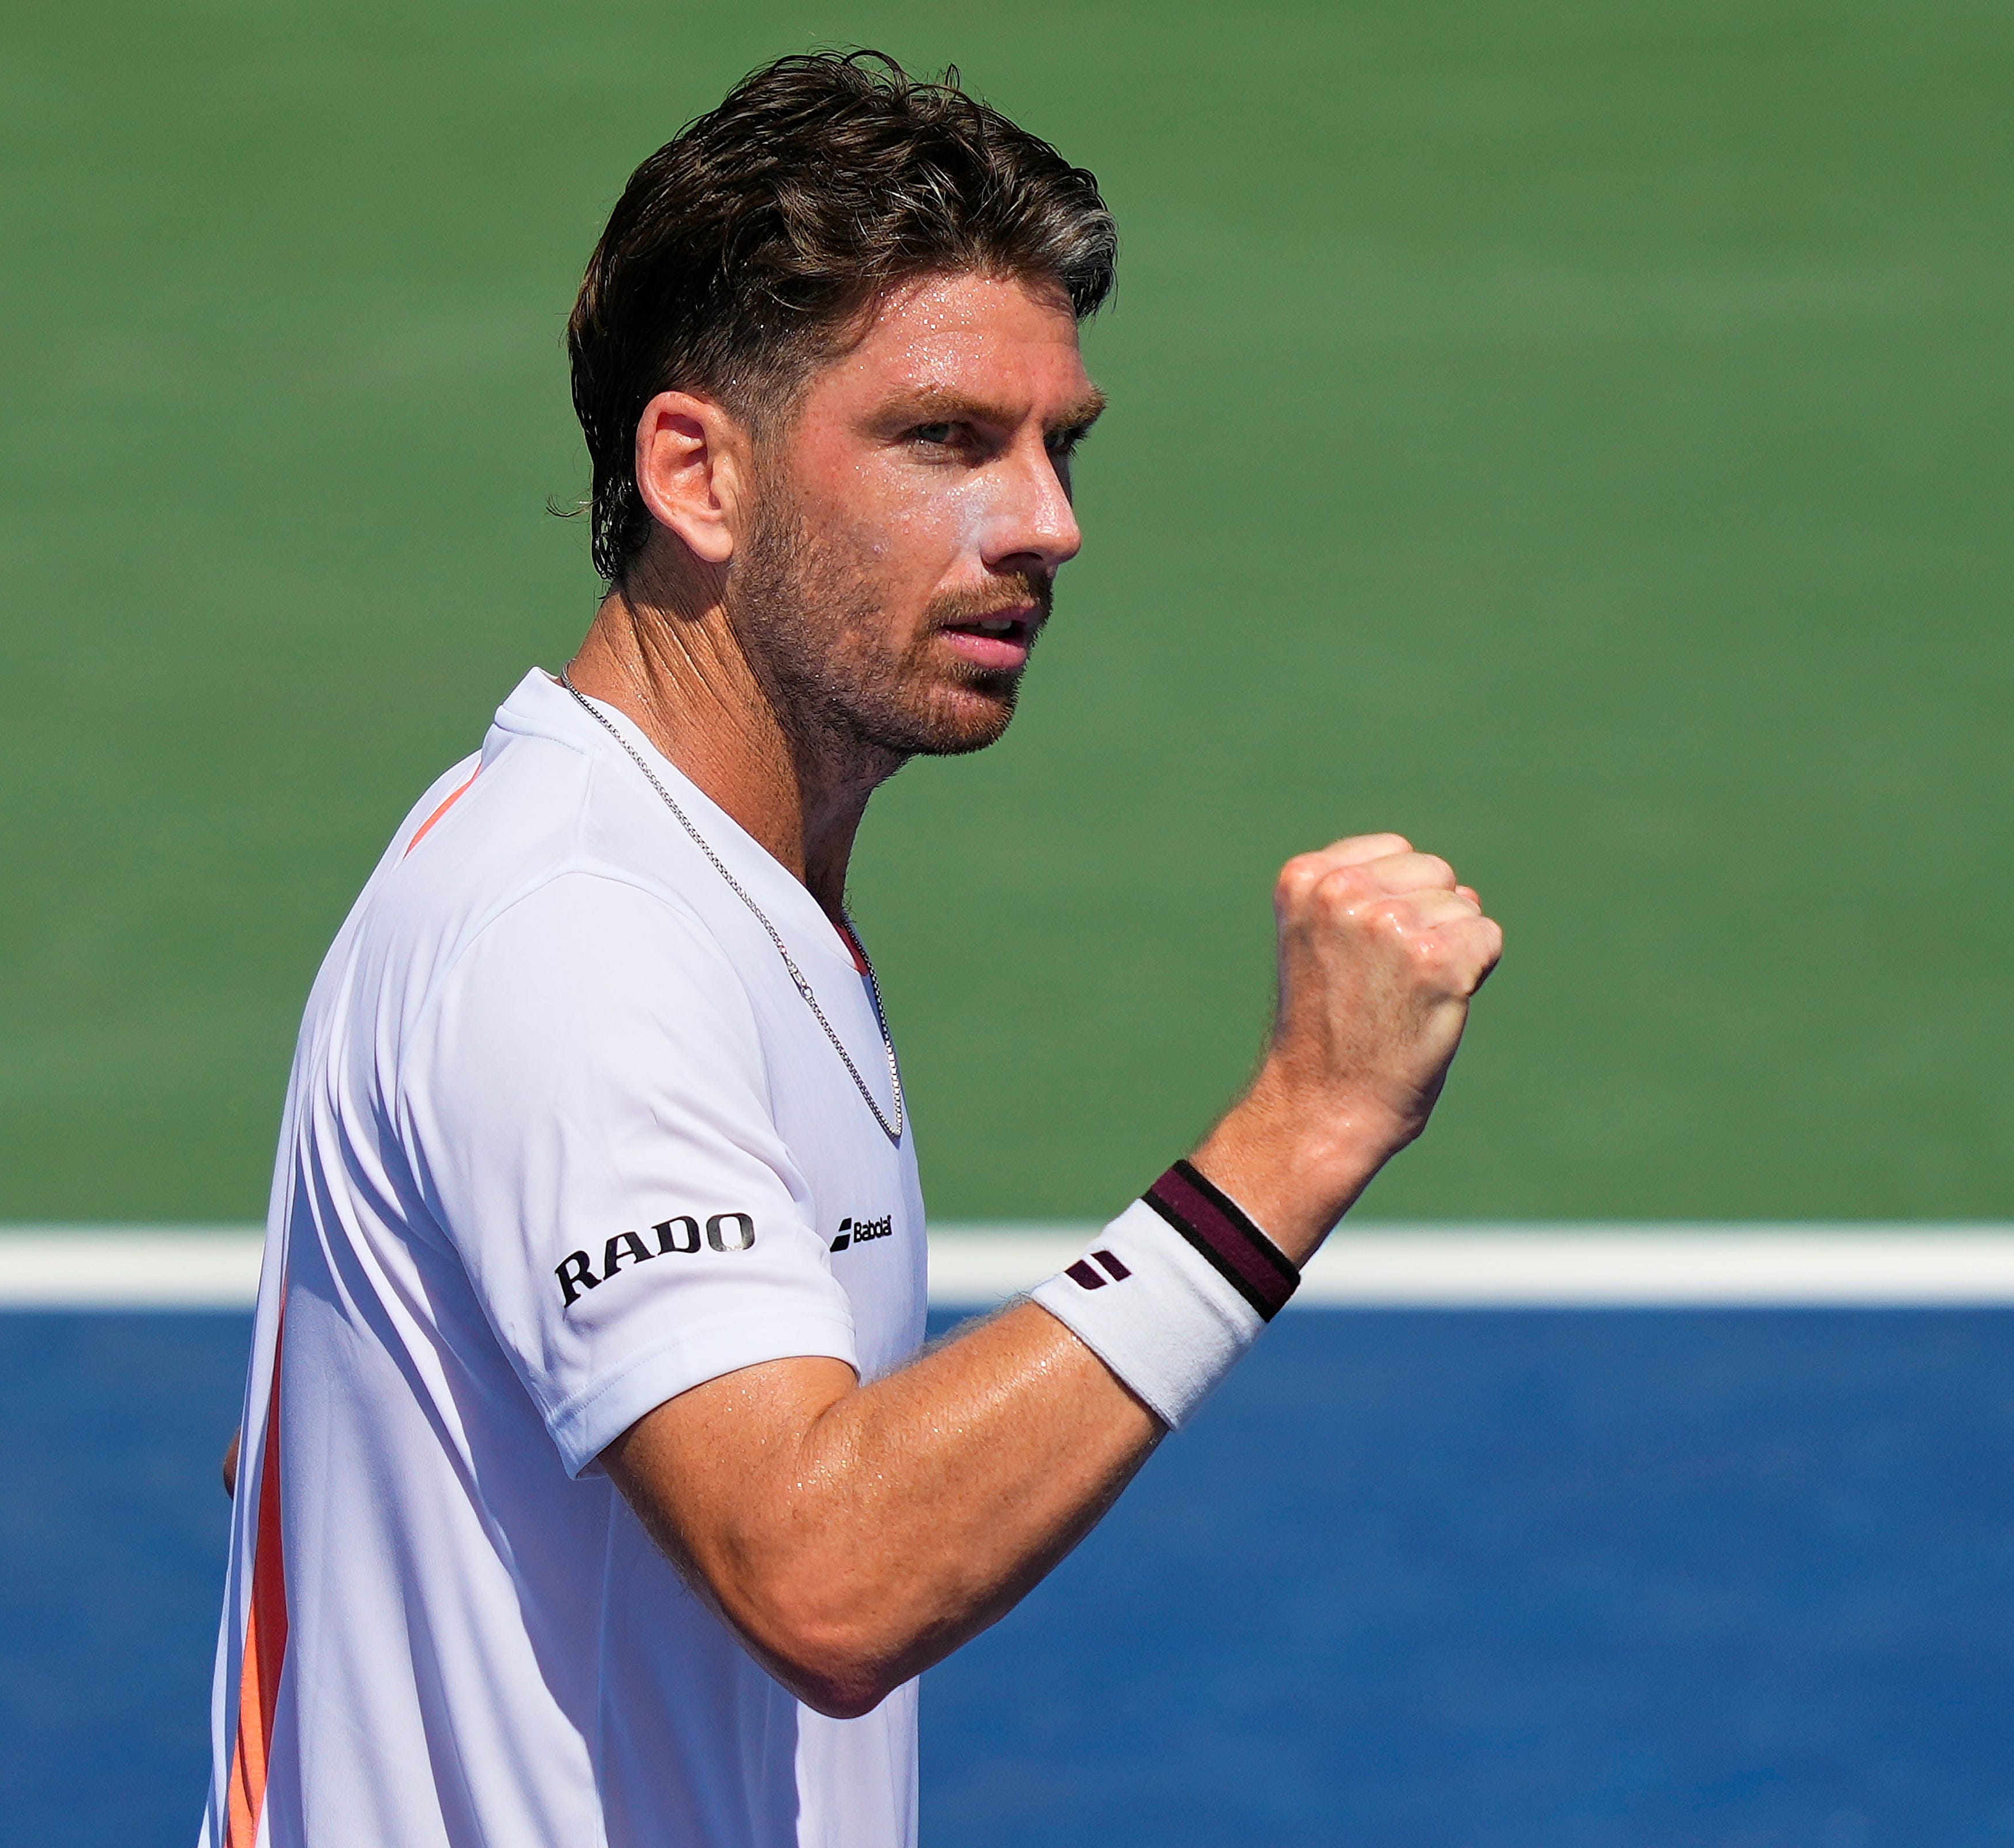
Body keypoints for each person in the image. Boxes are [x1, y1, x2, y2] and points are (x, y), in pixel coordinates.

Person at [201, 50, 1501, 1848]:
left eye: (1061, 445)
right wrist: (1304, 1127)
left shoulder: (699, 886)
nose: (1046, 521)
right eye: (947, 439)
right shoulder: (581, 935)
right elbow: (827, 1579)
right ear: (698, 475)